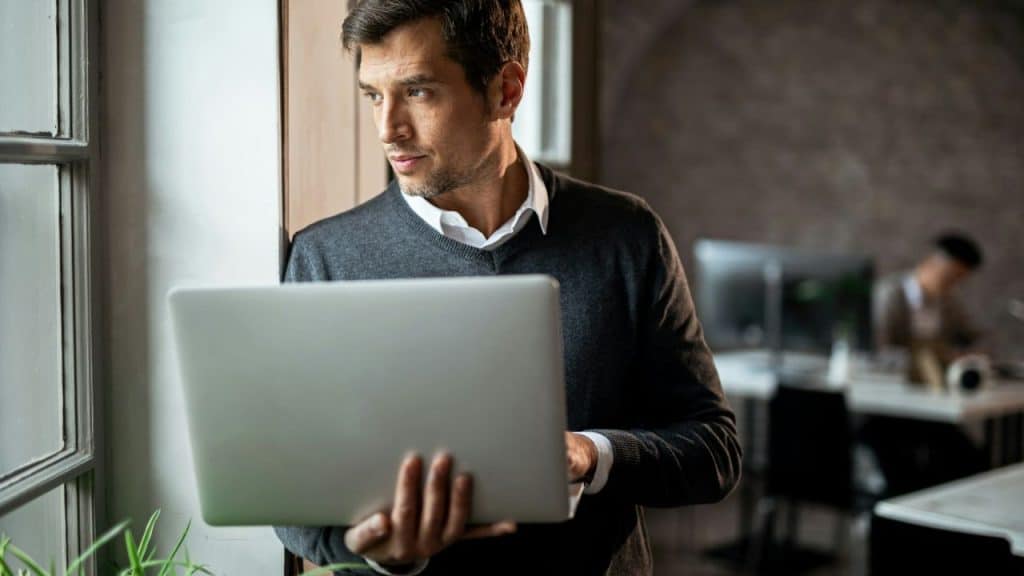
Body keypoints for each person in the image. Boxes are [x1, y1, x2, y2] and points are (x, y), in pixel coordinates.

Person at [274, 2, 741, 574]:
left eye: (418, 92)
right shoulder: (326, 258)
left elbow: (714, 450)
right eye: (374, 95)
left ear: (506, 90)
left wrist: (591, 454)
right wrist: (383, 552)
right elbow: (290, 503)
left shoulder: (627, 235)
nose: (387, 128)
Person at [864, 232, 987, 496]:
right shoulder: (889, 295)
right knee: (906, 476)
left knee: (970, 461)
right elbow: (877, 354)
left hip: (931, 406)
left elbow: (973, 336)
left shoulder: (948, 302)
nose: (952, 284)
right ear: (932, 263)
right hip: (890, 409)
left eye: (959, 280)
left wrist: (969, 353)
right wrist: (930, 359)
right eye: (950, 276)